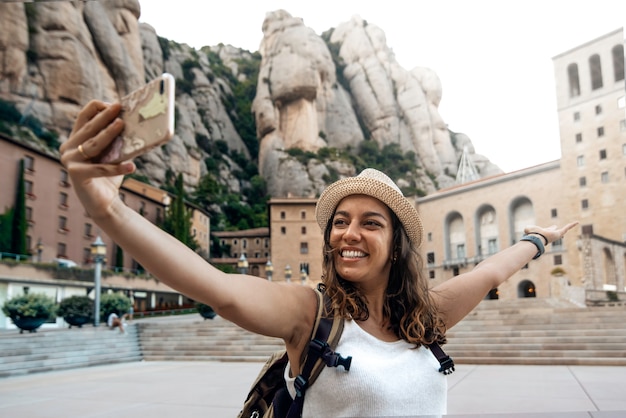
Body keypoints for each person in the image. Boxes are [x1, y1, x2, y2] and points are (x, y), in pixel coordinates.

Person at [60, 100, 578, 416]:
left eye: (371, 222)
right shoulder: (310, 315)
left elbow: (492, 268)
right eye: (340, 220)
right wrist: (109, 211)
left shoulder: (428, 316)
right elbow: (214, 286)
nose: (349, 233)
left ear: (396, 242)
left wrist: (540, 239)